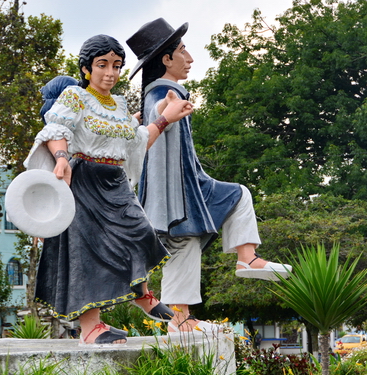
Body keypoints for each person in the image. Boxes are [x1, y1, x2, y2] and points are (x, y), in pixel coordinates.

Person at [23, 34, 193, 345]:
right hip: (84, 179)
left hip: (114, 181)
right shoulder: (75, 96)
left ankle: (141, 294)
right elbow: (56, 129)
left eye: (116, 65)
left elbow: (137, 144)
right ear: (87, 69)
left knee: (140, 233)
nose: (110, 73)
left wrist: (165, 118)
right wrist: (61, 158)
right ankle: (91, 329)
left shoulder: (118, 105)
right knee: (86, 253)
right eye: (102, 65)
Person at [126, 19, 292, 333]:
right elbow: (154, 140)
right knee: (233, 199)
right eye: (182, 50)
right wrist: (164, 117)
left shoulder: (160, 92)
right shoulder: (163, 93)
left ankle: (182, 317)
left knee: (186, 243)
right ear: (166, 59)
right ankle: (245, 261)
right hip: (178, 193)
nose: (189, 58)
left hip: (179, 190)